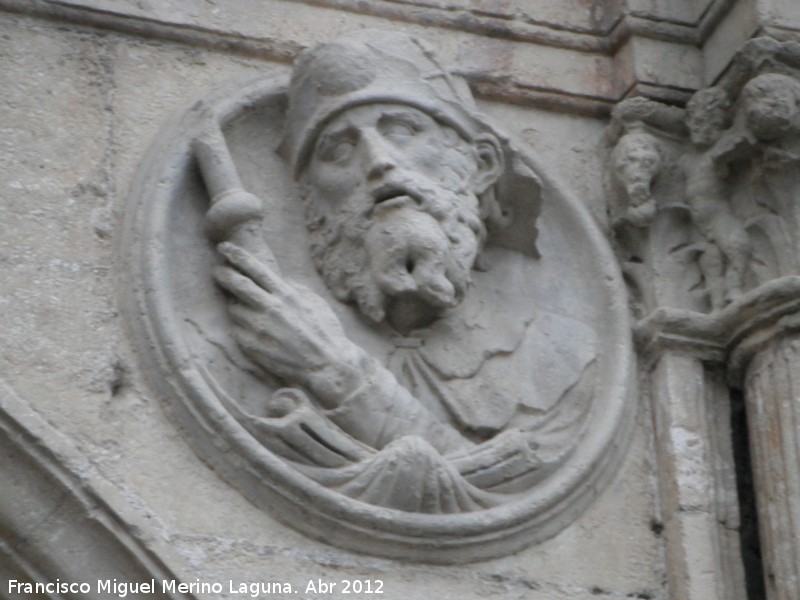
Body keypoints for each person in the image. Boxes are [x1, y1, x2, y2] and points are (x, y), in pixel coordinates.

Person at [212, 31, 598, 513]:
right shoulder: (266, 322)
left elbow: (487, 484)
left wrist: (329, 368)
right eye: (337, 151)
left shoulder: (561, 352)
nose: (379, 163)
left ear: (479, 166)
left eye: (401, 131)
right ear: (309, 200)